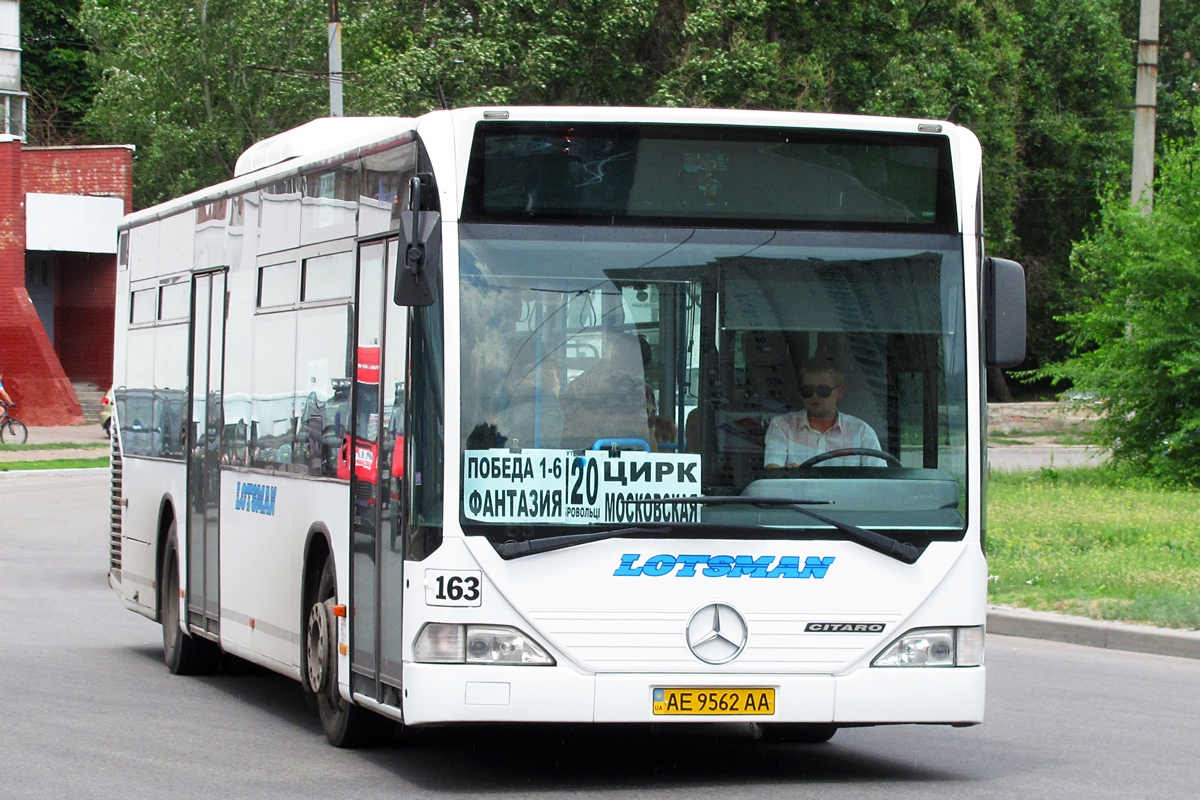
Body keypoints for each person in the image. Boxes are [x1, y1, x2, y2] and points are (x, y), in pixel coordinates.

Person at [763, 357, 885, 467]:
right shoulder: (782, 425)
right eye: (808, 390)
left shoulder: (861, 432)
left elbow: (879, 481)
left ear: (840, 391)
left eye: (823, 390)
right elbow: (773, 473)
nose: (815, 396)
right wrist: (786, 473)